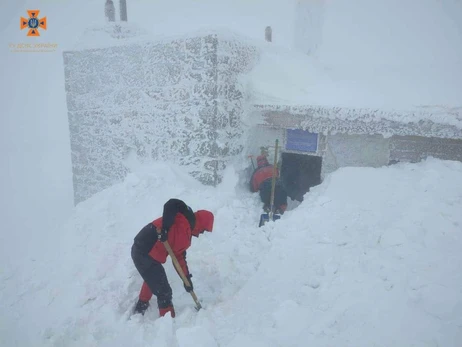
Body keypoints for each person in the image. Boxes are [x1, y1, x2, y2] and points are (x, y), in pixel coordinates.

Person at [131, 198, 214, 317]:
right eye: (204, 230)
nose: (201, 233)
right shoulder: (183, 220)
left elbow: (178, 257)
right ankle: (168, 323)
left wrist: (186, 279)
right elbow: (171, 203)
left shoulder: (186, 233)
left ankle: (141, 305)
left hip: (147, 252)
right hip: (143, 251)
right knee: (164, 292)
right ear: (202, 224)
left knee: (153, 277)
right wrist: (165, 228)